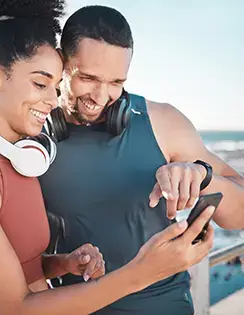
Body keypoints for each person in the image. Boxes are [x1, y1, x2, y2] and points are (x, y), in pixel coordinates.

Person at [0, 1, 216, 315]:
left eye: (55, 84)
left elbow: (21, 268)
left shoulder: (22, 161)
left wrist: (63, 264)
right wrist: (144, 272)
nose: (52, 100)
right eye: (40, 83)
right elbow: (18, 307)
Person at [39, 5, 244, 315]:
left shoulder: (163, 122)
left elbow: (240, 216)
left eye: (116, 83)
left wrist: (202, 177)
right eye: (89, 78)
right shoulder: (31, 138)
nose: (101, 95)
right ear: (60, 62)